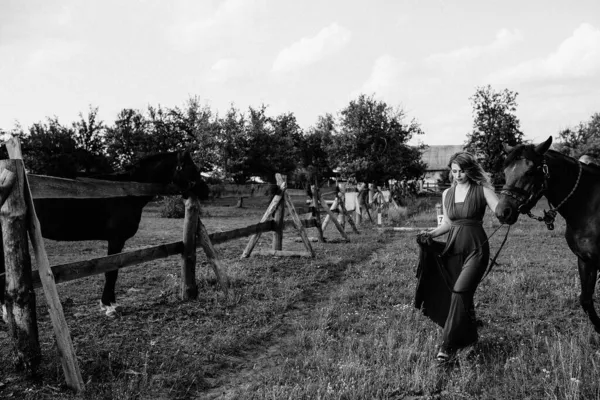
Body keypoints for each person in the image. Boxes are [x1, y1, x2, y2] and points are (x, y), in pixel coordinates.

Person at [415, 152, 499, 365]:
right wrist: (431, 234)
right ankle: (469, 338)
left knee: (460, 291)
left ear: (470, 170)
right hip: (453, 247)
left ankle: (447, 346)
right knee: (461, 294)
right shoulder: (447, 194)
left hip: (476, 249)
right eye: (454, 171)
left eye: (462, 170)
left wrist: (510, 208)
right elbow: (449, 223)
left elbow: (500, 210)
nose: (458, 175)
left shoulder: (483, 190)